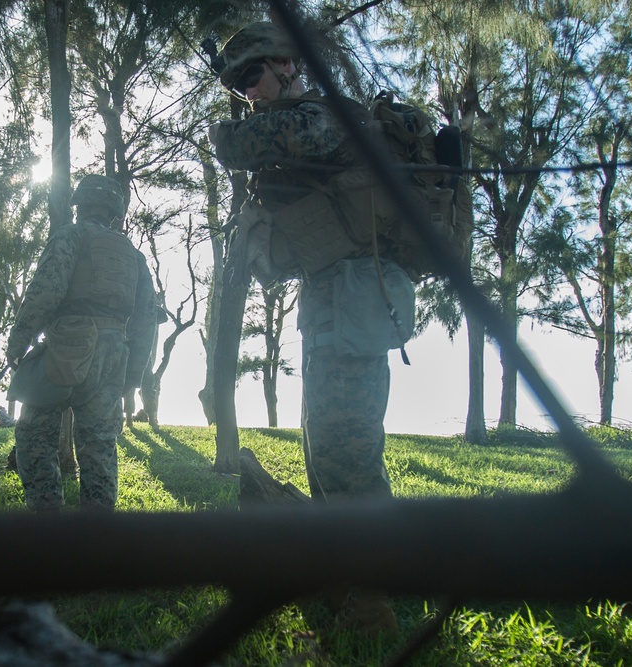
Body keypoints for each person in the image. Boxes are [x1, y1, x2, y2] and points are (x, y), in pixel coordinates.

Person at [208, 22, 416, 635]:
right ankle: (354, 585)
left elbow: (239, 144)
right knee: (323, 443)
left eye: (254, 74)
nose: (250, 92)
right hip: (332, 295)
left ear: (287, 65)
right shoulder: (298, 121)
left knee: (345, 446)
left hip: (354, 294)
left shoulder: (324, 116)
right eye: (239, 83)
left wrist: (229, 131)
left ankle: (373, 605)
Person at [5, 174, 157, 512]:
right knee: (99, 445)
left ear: (79, 206)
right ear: (115, 214)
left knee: (34, 435)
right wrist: (131, 377)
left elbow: (46, 291)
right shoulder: (135, 256)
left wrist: (19, 341)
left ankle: (47, 522)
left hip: (68, 348)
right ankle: (96, 537)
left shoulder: (70, 236)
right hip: (114, 354)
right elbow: (147, 320)